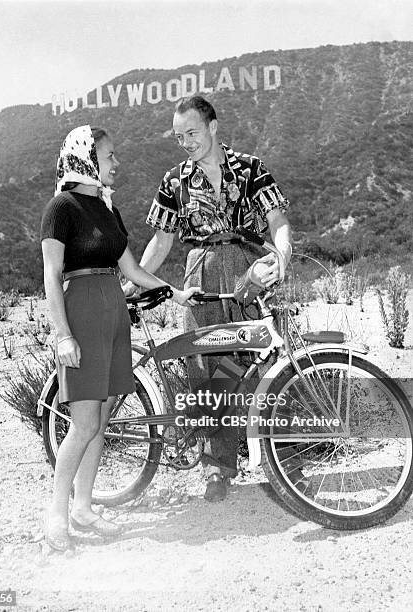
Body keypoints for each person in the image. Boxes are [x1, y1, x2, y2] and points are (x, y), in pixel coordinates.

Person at [124, 95, 293, 502]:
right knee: (207, 373)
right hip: (200, 275)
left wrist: (283, 256)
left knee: (264, 360)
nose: (185, 142)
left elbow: (278, 221)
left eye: (192, 133)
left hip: (250, 270)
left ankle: (284, 457)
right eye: (179, 136)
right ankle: (217, 468)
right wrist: (135, 282)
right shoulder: (174, 180)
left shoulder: (251, 168)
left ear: (213, 127)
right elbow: (161, 241)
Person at [40, 125, 199, 551]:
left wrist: (176, 292)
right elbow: (51, 277)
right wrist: (62, 335)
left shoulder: (107, 209)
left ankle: (83, 508)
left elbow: (130, 269)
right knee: (85, 421)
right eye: (109, 156)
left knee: (103, 418)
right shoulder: (61, 208)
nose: (116, 164)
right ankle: (57, 512)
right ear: (86, 158)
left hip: (114, 310)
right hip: (82, 310)